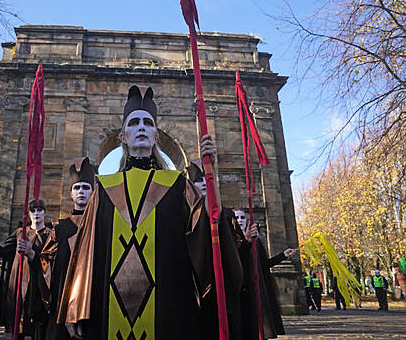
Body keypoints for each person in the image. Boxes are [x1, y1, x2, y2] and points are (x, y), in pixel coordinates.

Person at [57, 85, 219, 339]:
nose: (141, 127)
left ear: (156, 136)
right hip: (109, 311)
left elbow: (205, 233)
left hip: (169, 308)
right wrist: (75, 305)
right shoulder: (103, 189)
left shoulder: (178, 184)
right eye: (133, 123)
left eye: (147, 123)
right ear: (122, 136)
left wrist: (211, 178)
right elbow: (85, 254)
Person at [0, 199, 52, 339]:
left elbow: (51, 261)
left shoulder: (51, 234)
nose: (36, 213)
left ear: (45, 212)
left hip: (41, 286)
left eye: (40, 210)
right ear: (29, 214)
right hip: (20, 284)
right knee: (19, 326)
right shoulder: (20, 233)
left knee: (39, 326)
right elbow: (1, 250)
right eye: (33, 210)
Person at [185, 159, 244, 339]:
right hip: (194, 281)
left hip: (222, 280)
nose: (203, 184)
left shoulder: (226, 214)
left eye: (206, 179)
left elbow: (236, 243)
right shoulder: (184, 212)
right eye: (198, 181)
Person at [40, 157, 95, 340]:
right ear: (71, 194)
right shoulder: (59, 229)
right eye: (77, 188)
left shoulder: (101, 226)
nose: (81, 191)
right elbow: (45, 263)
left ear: (93, 193)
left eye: (86, 187)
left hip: (93, 302)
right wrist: (32, 255)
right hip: (61, 304)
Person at [233, 209, 297, 338]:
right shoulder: (231, 240)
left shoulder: (256, 242)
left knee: (260, 329)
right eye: (237, 217)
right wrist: (246, 241)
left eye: (243, 217)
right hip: (241, 293)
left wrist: (283, 255)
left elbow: (265, 264)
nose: (240, 220)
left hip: (257, 291)